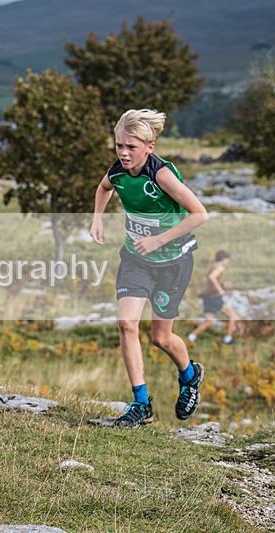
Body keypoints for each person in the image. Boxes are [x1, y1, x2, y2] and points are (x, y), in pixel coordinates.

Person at [90, 109, 209, 428]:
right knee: (126, 323)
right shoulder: (117, 172)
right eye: (119, 145)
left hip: (173, 263)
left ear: (149, 147)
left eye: (131, 147)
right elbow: (103, 188)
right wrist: (97, 219)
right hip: (136, 260)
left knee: (161, 338)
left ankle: (190, 375)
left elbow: (199, 214)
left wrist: (159, 240)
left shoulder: (162, 175)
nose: (123, 153)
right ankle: (141, 405)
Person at [188, 250, 238, 345]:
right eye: (227, 260)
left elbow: (211, 281)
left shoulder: (212, 266)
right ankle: (228, 339)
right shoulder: (220, 267)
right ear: (223, 259)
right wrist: (220, 290)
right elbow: (212, 277)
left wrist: (223, 284)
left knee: (208, 322)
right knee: (232, 316)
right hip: (215, 297)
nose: (227, 262)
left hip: (207, 297)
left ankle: (191, 337)